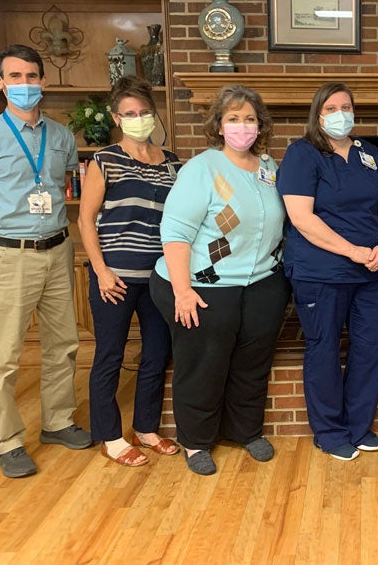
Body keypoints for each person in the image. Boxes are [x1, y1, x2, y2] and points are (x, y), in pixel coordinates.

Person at [0, 44, 92, 478]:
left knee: (63, 344)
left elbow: (64, 186)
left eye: (32, 76)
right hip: (9, 252)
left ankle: (57, 421)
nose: (25, 84)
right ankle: (8, 442)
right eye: (15, 77)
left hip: (57, 249)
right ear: (0, 83)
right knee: (4, 354)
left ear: (43, 82)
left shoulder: (62, 135)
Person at [149, 85, 290, 476]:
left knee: (251, 363)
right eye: (233, 119)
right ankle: (196, 441)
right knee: (204, 365)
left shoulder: (268, 168)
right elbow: (175, 234)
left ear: (260, 125)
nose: (242, 126)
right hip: (202, 285)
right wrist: (183, 292)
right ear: (218, 125)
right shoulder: (203, 168)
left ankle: (246, 431)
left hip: (260, 282)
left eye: (249, 119)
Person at [277, 82, 378, 462]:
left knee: (371, 348)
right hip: (321, 271)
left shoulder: (370, 154)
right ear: (318, 114)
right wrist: (352, 251)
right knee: (324, 349)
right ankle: (329, 432)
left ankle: (359, 427)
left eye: (346, 106)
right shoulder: (302, 154)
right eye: (331, 107)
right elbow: (301, 217)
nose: (340, 113)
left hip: (371, 270)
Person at [77, 76, 182, 468]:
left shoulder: (173, 162)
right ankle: (109, 435)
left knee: (157, 352)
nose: (138, 119)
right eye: (130, 114)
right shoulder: (104, 160)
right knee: (110, 354)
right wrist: (101, 271)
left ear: (155, 116)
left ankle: (146, 427)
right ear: (117, 118)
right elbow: (87, 220)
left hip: (158, 276)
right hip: (115, 277)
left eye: (144, 113)